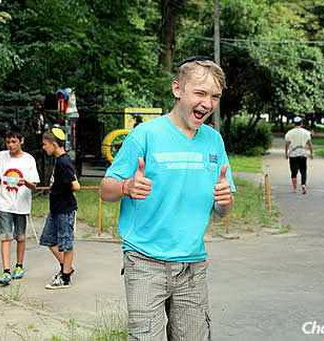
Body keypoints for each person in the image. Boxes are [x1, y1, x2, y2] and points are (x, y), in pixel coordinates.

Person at [100, 57, 235, 340]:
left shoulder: (213, 141)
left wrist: (224, 199)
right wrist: (126, 187)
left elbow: (223, 210)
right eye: (200, 93)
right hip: (145, 261)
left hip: (193, 265)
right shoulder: (145, 135)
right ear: (177, 89)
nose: (208, 104)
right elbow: (105, 189)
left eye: (214, 96)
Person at [0, 131, 40, 286]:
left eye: (13, 142)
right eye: (8, 142)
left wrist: (26, 183)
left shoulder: (28, 159)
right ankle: (6, 270)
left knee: (20, 237)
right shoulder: (1, 157)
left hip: (21, 204)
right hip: (5, 203)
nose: (10, 145)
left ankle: (19, 266)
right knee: (5, 236)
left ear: (21, 141)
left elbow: (34, 185)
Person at [40, 127, 80, 289]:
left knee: (66, 242)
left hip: (65, 209)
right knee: (48, 240)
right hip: (55, 208)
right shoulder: (59, 161)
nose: (43, 147)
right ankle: (67, 268)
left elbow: (76, 185)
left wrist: (64, 188)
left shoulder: (64, 162)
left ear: (54, 144)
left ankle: (65, 277)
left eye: (45, 144)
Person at [284, 116, 313, 194]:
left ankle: (294, 188)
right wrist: (311, 153)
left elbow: (287, 144)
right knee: (303, 171)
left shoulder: (289, 133)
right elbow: (310, 144)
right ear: (301, 123)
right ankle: (303, 184)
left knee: (294, 172)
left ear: (294, 124)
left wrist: (286, 153)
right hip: (302, 154)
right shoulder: (306, 132)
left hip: (293, 154)